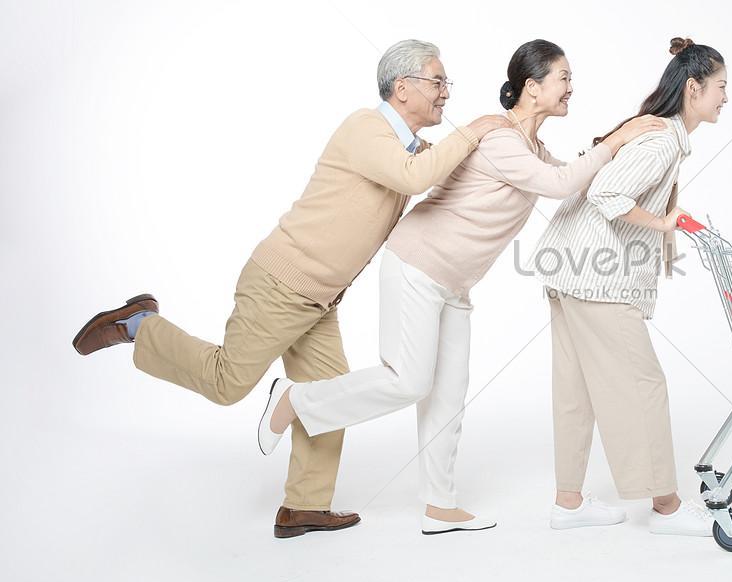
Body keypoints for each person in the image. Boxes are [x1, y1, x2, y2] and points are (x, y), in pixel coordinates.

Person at [71, 40, 508, 538]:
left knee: (330, 398)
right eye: (439, 81)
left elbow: (446, 171)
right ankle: (138, 324)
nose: (446, 93)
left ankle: (305, 506)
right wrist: (474, 130)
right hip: (281, 283)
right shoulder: (365, 128)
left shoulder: (411, 148)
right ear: (402, 87)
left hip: (319, 300)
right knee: (226, 383)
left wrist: (514, 142)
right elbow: (414, 176)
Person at [257, 39, 666, 535]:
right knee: (408, 381)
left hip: (454, 282)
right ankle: (296, 401)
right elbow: (559, 185)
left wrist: (623, 142)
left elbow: (572, 178)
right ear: (532, 88)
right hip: (417, 265)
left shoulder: (531, 147)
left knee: (449, 395)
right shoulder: (499, 140)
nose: (570, 87)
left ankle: (440, 504)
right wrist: (619, 139)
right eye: (563, 77)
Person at [533, 37, 728, 536]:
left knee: (576, 390)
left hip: (568, 270)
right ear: (693, 88)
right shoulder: (663, 139)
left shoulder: (661, 135)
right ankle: (665, 508)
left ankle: (568, 504)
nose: (725, 97)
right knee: (643, 385)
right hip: (598, 279)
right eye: (721, 87)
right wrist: (662, 224)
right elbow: (606, 192)